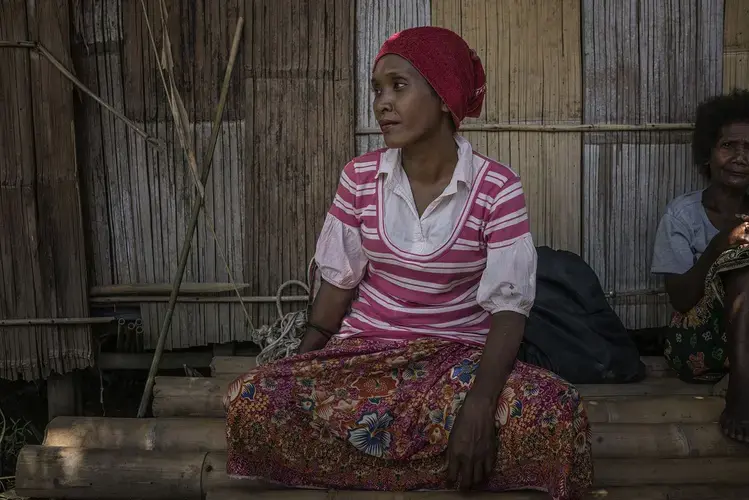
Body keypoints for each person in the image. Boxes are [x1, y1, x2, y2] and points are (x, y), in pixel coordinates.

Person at [224, 27, 593, 499]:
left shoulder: (497, 187)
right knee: (251, 400)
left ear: (444, 97)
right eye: (378, 89)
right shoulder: (359, 178)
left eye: (399, 86)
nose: (382, 103)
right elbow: (338, 285)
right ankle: (444, 466)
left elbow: (508, 309)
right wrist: (299, 367)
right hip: (365, 353)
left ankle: (385, 463)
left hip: (457, 362)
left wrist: (479, 405)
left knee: (559, 412)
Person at [651, 89, 749, 443]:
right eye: (728, 146)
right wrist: (719, 245)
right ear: (707, 154)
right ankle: (741, 389)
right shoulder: (683, 215)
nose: (740, 157)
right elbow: (680, 298)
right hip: (699, 347)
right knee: (741, 268)